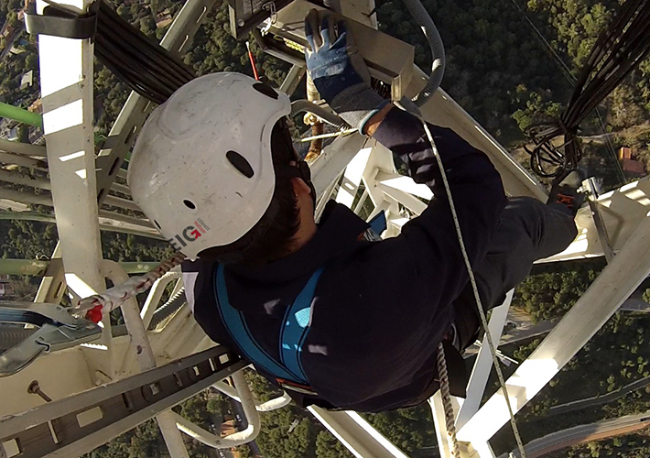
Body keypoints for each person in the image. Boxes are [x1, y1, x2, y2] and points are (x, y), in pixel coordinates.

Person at [128, 11, 581, 412]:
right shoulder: (381, 303)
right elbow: (474, 185)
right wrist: (361, 107)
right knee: (520, 224)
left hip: (349, 365)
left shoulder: (208, 294)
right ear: (302, 188)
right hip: (409, 347)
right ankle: (565, 218)